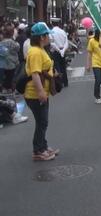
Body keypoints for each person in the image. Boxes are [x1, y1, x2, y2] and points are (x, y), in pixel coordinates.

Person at [24, 22, 59, 161]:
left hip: (41, 91)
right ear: (41, 37)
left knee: (43, 121)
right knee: (42, 122)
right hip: (34, 93)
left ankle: (43, 146)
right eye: (47, 35)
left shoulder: (40, 49)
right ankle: (38, 150)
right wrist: (40, 92)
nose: (49, 37)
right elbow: (35, 73)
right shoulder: (35, 52)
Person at [85, 29, 101, 104]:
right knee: (98, 80)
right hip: (96, 63)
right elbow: (89, 53)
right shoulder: (92, 41)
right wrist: (88, 65)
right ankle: (97, 97)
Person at [49, 18, 69, 88]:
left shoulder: (51, 32)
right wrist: (63, 50)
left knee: (57, 67)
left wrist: (58, 50)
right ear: (58, 24)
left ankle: (60, 83)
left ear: (52, 23)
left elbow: (52, 44)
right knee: (63, 66)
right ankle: (65, 82)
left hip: (55, 52)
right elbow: (66, 42)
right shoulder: (62, 31)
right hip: (62, 50)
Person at [0, 25, 20, 92]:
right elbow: (18, 48)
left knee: (4, 79)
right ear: (12, 33)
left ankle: (3, 89)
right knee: (11, 79)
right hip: (12, 65)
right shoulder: (13, 43)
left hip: (2, 65)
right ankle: (10, 89)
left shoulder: (1, 43)